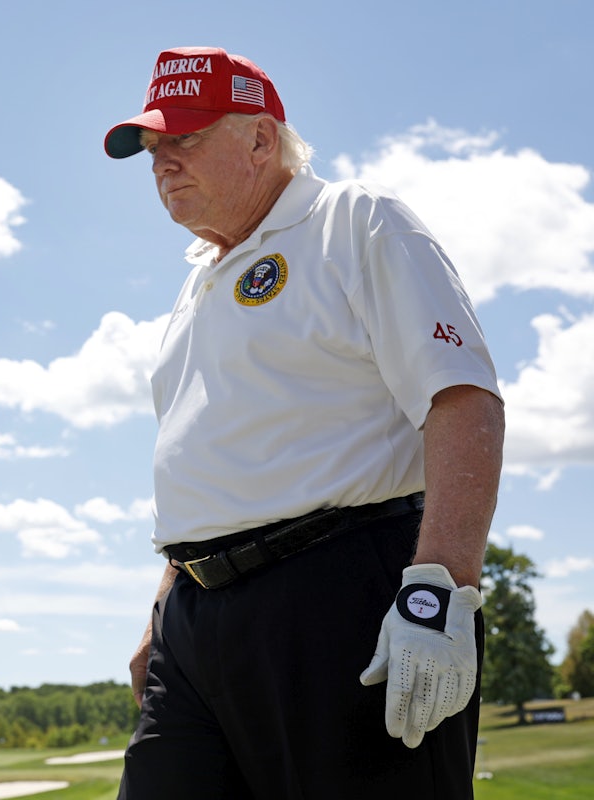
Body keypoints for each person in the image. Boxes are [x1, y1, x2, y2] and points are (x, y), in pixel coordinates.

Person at [103, 47, 505, 799]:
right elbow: (207, 462)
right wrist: (163, 609)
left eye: (184, 139)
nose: (163, 163)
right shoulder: (198, 285)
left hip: (338, 596)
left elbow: (462, 399)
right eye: (154, 149)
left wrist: (442, 589)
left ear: (260, 138)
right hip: (194, 623)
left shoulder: (356, 223)